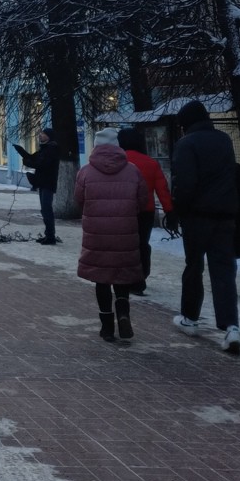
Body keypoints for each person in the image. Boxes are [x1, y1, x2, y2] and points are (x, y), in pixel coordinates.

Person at [169, 100, 240, 354]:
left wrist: (178, 209)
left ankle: (190, 317)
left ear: (185, 124)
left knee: (194, 267)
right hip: (225, 216)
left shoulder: (186, 144)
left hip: (197, 217)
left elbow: (184, 183)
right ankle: (231, 327)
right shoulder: (224, 140)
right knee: (224, 271)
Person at [74, 129, 145, 341]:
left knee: (101, 278)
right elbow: (143, 201)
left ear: (95, 146)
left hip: (97, 234)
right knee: (122, 275)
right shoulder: (133, 171)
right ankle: (123, 312)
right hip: (125, 232)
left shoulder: (86, 171)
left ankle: (106, 326)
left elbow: (78, 200)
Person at [116, 127, 173, 296]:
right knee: (142, 244)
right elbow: (162, 189)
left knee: (124, 246)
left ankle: (125, 278)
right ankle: (140, 278)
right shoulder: (150, 162)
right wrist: (169, 210)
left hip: (122, 211)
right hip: (145, 211)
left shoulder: (118, 162)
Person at [15, 129, 61, 245]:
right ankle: (48, 234)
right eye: (40, 134)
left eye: (43, 134)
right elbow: (32, 157)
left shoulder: (51, 149)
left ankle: (50, 237)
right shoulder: (44, 148)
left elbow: (42, 165)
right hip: (43, 182)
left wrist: (27, 163)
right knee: (44, 209)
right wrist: (21, 151)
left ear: (49, 136)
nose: (40, 136)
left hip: (48, 183)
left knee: (47, 209)